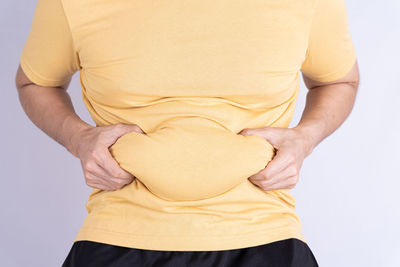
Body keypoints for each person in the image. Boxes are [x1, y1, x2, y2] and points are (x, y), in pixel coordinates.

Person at [15, 0, 359, 266]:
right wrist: (78, 138)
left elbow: (339, 79)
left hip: (264, 236)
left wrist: (305, 138)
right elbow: (34, 81)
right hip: (120, 236)